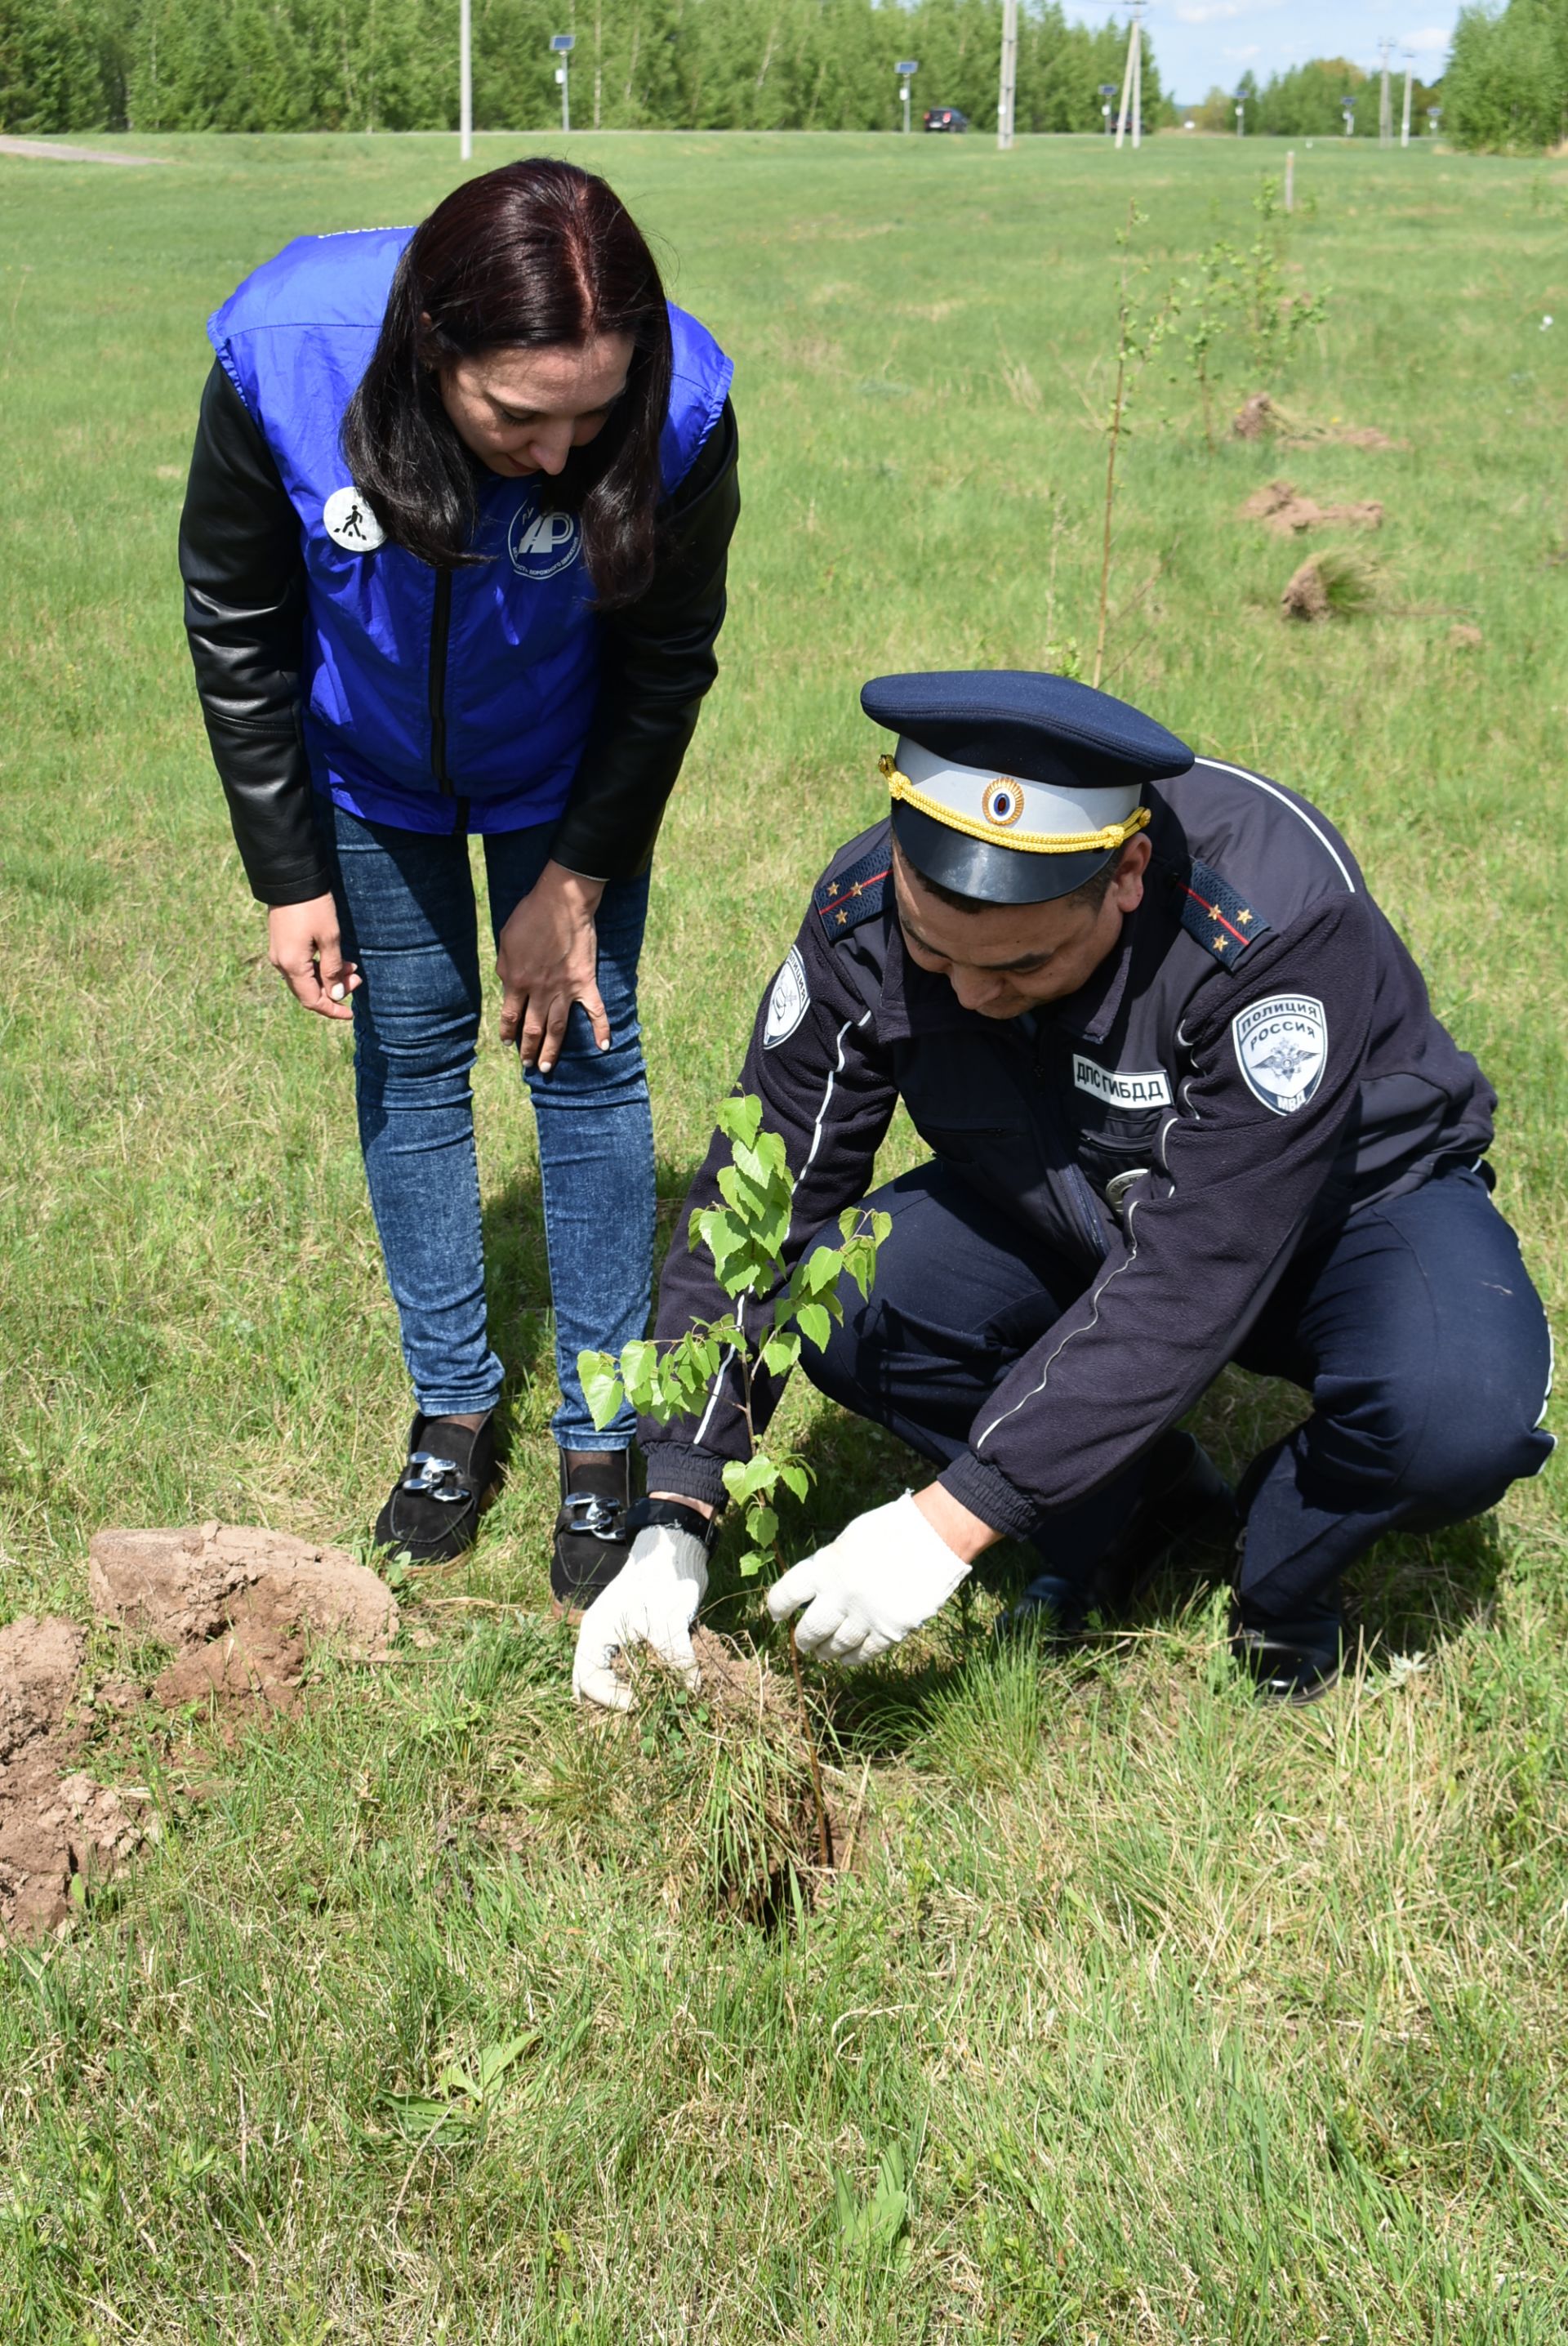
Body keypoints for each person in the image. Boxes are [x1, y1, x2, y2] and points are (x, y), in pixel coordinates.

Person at [572, 670, 1553, 1709]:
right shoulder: (864, 920)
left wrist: (949, 1520)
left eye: (1021, 966)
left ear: (1126, 871)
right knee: (856, 1299)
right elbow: (761, 1198)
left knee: (1455, 1415)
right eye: (933, 953)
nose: (969, 995)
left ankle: (1275, 1576)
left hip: (1343, 1213)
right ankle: (1134, 1509)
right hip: (1075, 1206)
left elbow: (1198, 1268)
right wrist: (677, 1502)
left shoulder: (1273, 921)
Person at [180, 160, 739, 1602]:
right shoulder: (284, 359)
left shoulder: (679, 412)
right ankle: (453, 1406)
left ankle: (603, 1429)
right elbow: (237, 614)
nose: (560, 454)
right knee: (412, 1057)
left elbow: (667, 661)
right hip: (366, 780)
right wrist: (286, 867)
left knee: (589, 1061)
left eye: (588, 415)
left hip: (566, 773)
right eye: (517, 416)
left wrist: (576, 876)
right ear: (432, 355)